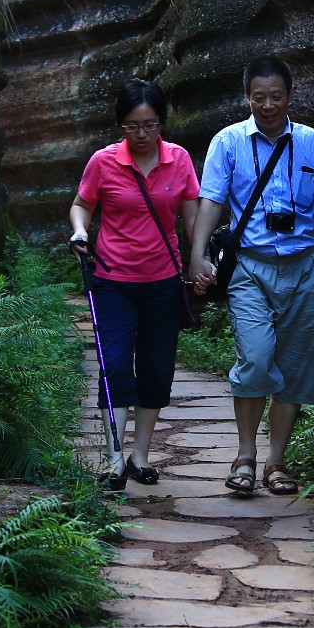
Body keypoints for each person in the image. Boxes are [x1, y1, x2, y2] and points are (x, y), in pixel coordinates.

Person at [189, 55, 314, 495]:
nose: (267, 105)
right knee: (257, 358)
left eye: (275, 96)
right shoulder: (228, 142)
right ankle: (245, 454)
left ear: (290, 96)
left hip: (304, 268)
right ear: (246, 97)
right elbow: (211, 201)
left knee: (295, 367)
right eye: (258, 97)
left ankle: (276, 463)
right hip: (250, 268)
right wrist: (198, 253)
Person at [70, 79, 201, 488]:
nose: (142, 135)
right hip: (112, 280)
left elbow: (193, 217)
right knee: (114, 368)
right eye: (132, 126)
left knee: (156, 369)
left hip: (163, 280)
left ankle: (139, 457)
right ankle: (113, 458)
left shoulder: (178, 160)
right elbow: (81, 205)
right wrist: (80, 232)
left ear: (162, 122)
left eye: (150, 125)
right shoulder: (103, 162)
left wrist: (200, 260)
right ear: (120, 125)